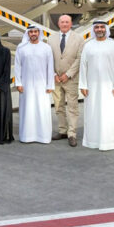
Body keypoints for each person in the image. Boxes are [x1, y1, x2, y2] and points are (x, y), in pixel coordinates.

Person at [78, 20, 114, 151]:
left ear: (106, 29)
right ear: (94, 30)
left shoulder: (113, 45)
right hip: (92, 88)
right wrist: (83, 85)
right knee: (92, 113)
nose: (99, 29)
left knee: (110, 114)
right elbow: (83, 66)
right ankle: (92, 141)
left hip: (110, 88)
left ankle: (109, 142)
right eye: (97, 27)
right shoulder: (88, 46)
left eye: (102, 27)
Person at [47, 14, 84, 147]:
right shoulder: (51, 38)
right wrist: (53, 74)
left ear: (70, 23)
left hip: (71, 79)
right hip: (56, 78)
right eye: (62, 22)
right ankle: (62, 130)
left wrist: (68, 74)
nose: (64, 24)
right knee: (58, 106)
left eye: (67, 22)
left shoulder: (79, 39)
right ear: (58, 23)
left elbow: (79, 59)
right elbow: (48, 58)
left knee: (72, 107)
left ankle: (72, 133)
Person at [14, 25, 54, 144]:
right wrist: (18, 83)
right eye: (31, 31)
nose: (33, 33)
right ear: (28, 33)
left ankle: (44, 137)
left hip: (42, 86)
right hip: (26, 85)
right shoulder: (21, 48)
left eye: (35, 31)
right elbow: (17, 66)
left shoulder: (46, 48)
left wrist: (50, 85)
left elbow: (50, 67)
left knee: (42, 110)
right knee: (28, 110)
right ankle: (27, 136)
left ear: (39, 33)